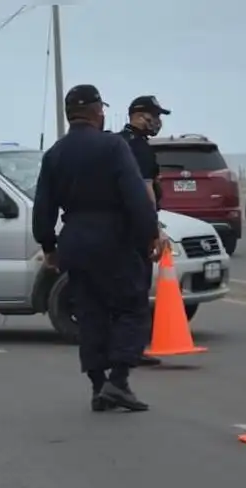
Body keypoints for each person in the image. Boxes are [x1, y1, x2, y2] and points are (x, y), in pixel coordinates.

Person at [32, 84, 161, 412]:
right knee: (132, 308)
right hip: (113, 238)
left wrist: (48, 245)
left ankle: (98, 386)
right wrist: (151, 233)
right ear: (96, 112)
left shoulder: (55, 154)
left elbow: (43, 206)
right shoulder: (113, 146)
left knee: (90, 314)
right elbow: (135, 195)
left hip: (75, 239)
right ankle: (118, 380)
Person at [118, 95, 172, 367]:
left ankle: (117, 344)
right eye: (155, 115)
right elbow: (146, 190)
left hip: (114, 227)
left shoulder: (117, 142)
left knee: (119, 290)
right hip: (136, 228)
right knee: (137, 291)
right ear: (139, 115)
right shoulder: (139, 148)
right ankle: (132, 350)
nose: (158, 121)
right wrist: (155, 228)